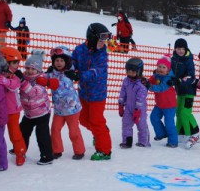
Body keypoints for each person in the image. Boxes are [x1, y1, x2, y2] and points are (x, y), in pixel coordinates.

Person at [72, 23, 112, 160]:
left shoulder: (101, 54)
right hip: (84, 93)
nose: (103, 44)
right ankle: (99, 132)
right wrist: (68, 70)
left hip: (97, 94)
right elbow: (73, 63)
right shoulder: (79, 50)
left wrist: (80, 76)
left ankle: (105, 151)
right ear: (92, 38)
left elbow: (97, 71)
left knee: (96, 121)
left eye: (104, 41)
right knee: (83, 119)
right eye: (101, 40)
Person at [19, 50, 58, 165]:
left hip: (42, 113)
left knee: (42, 134)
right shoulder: (25, 78)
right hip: (29, 113)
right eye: (28, 68)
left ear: (39, 70)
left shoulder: (41, 80)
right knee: (22, 131)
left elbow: (32, 93)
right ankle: (21, 149)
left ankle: (47, 155)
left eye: (33, 69)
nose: (29, 71)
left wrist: (22, 81)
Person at [46, 46, 85, 160]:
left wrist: (76, 75)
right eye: (56, 60)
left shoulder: (69, 73)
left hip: (72, 109)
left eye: (61, 60)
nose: (59, 63)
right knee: (54, 130)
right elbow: (41, 78)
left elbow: (68, 82)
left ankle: (79, 151)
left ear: (66, 61)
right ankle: (57, 150)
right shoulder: (51, 73)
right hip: (59, 109)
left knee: (73, 131)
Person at [0, 47, 27, 166]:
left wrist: (6, 82)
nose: (17, 65)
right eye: (14, 62)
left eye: (17, 63)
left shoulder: (15, 76)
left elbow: (15, 85)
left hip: (12, 110)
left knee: (14, 133)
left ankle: (20, 152)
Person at [172, 38, 200, 148]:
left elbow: (191, 76)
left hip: (189, 90)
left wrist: (180, 80)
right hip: (179, 91)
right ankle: (180, 133)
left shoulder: (188, 60)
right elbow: (171, 72)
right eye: (178, 48)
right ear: (175, 49)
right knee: (178, 112)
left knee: (185, 112)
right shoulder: (174, 59)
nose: (180, 51)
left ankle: (194, 134)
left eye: (182, 49)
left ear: (186, 49)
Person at [148, 56, 179, 148]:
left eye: (164, 67)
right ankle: (161, 134)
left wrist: (149, 86)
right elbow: (149, 81)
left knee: (169, 123)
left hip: (169, 105)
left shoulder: (169, 79)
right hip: (159, 104)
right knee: (153, 117)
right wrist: (144, 81)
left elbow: (161, 88)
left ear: (168, 70)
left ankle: (173, 141)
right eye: (159, 66)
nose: (161, 69)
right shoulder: (156, 76)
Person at [119, 58, 150, 148]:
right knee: (126, 123)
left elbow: (140, 98)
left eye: (133, 71)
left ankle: (144, 142)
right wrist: (121, 104)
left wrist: (138, 110)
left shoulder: (141, 84)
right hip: (128, 107)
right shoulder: (126, 81)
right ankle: (127, 142)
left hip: (140, 109)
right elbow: (123, 92)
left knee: (141, 125)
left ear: (139, 71)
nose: (130, 73)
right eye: (128, 71)